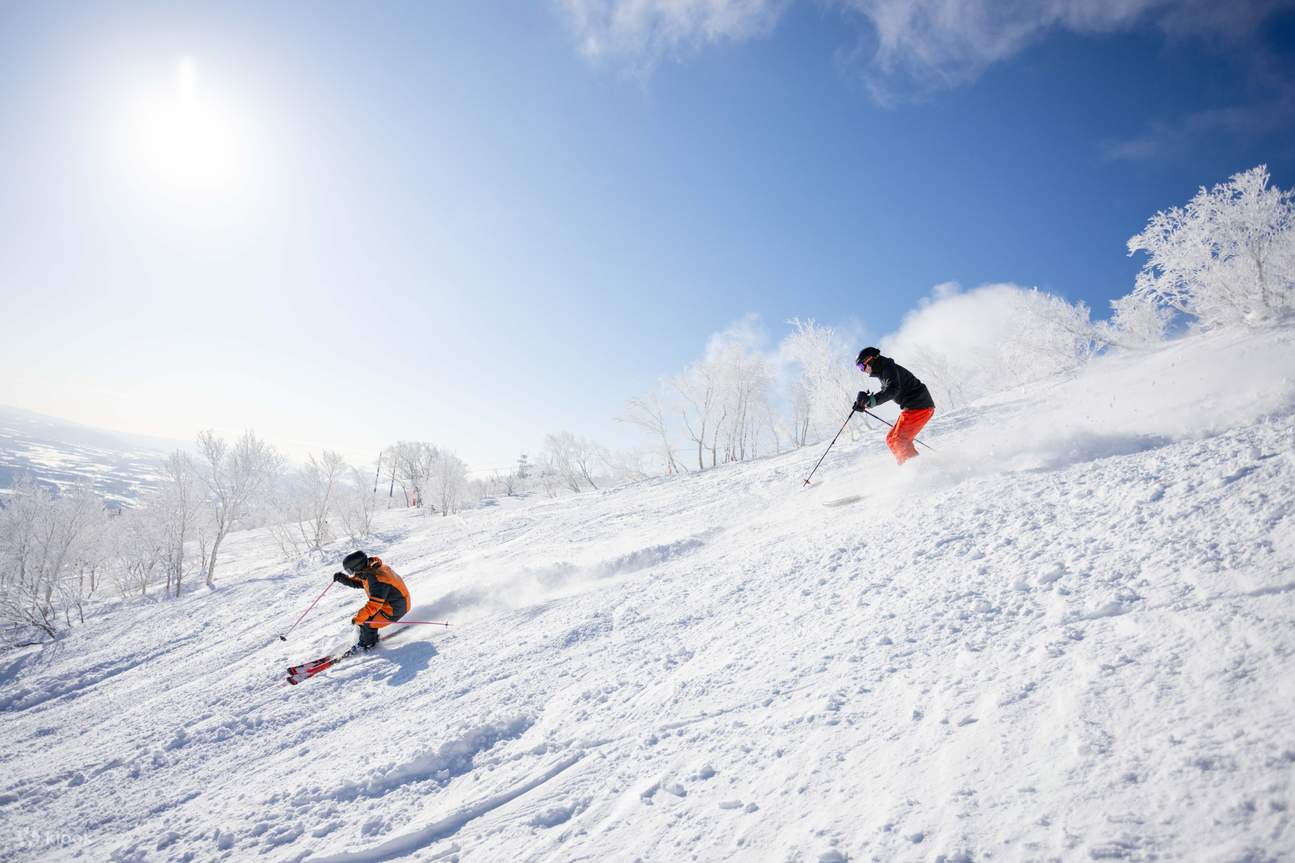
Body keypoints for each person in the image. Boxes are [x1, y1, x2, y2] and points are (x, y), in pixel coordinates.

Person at [854, 347, 935, 465]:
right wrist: (865, 403)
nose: (862, 370)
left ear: (870, 360)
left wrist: (871, 401)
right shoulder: (884, 372)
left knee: (898, 440)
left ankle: (916, 467)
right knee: (891, 439)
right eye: (859, 368)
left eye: (861, 367)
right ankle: (916, 465)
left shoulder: (888, 368)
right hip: (914, 407)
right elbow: (888, 391)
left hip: (919, 405)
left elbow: (892, 390)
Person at [333, 550, 411, 650]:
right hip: (395, 604)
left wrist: (359, 618)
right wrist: (343, 579)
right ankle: (367, 638)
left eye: (350, 571)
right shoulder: (371, 570)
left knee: (365, 621)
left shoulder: (377, 579)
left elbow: (374, 604)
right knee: (364, 618)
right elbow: (362, 583)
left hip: (395, 609)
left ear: (357, 567)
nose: (351, 574)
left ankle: (366, 645)